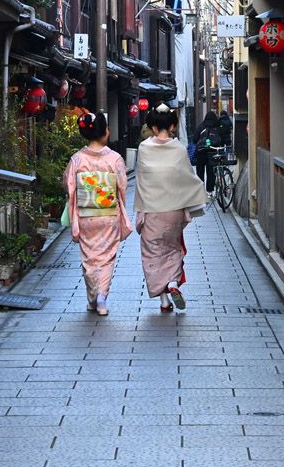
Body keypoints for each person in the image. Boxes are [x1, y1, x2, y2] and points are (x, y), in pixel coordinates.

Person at [135, 105, 208, 312]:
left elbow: (142, 181)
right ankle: (174, 283)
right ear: (173, 125)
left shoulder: (144, 149)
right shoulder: (178, 148)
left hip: (152, 210)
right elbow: (186, 178)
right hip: (174, 211)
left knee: (152, 254)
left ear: (153, 127)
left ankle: (164, 300)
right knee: (172, 249)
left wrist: (140, 210)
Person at [62, 112, 132, 316]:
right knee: (107, 257)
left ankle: (93, 297)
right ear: (105, 132)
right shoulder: (115, 158)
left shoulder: (77, 159)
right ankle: (101, 296)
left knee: (89, 256)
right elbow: (122, 186)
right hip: (108, 213)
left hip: (86, 214)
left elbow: (69, 185)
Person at [192, 111, 223, 193]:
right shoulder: (217, 127)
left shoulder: (201, 126)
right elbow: (221, 140)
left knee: (200, 172)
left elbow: (195, 139)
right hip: (213, 153)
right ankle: (210, 191)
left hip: (201, 153)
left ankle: (200, 191)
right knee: (211, 173)